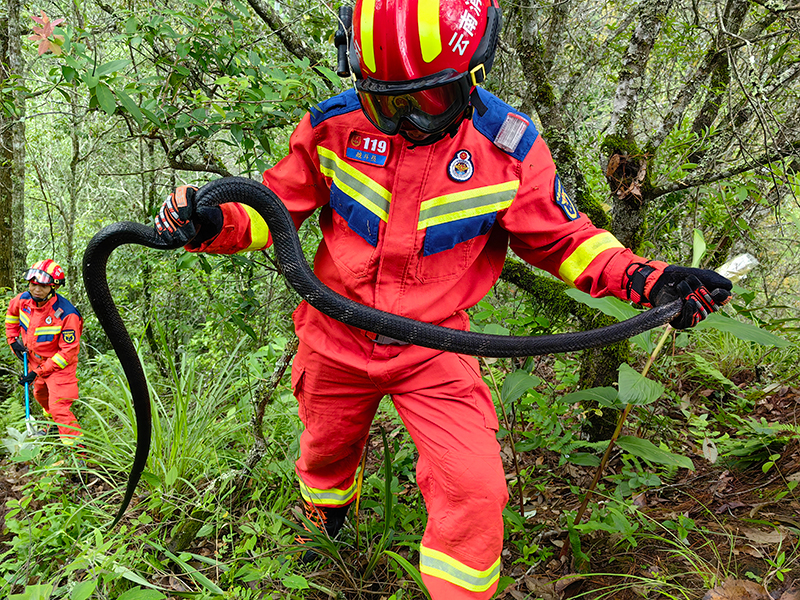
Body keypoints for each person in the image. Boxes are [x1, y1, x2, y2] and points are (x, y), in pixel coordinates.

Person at [153, 1, 733, 597]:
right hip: (332, 337)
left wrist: (647, 279)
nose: (408, 121)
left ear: (473, 76)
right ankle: (325, 530)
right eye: (388, 103)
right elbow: (272, 208)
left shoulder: (508, 149)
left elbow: (563, 240)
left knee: (475, 489)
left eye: (428, 102)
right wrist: (209, 221)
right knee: (325, 455)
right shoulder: (333, 127)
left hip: (435, 348)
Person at [5, 259, 84, 446]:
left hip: (59, 367)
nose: (36, 290)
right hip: (34, 361)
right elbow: (11, 315)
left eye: (42, 286)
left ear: (53, 287)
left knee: (59, 408)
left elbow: (68, 353)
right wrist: (12, 340)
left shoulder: (67, 314)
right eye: (33, 285)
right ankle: (53, 427)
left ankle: (78, 454)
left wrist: (37, 372)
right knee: (41, 395)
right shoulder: (22, 300)